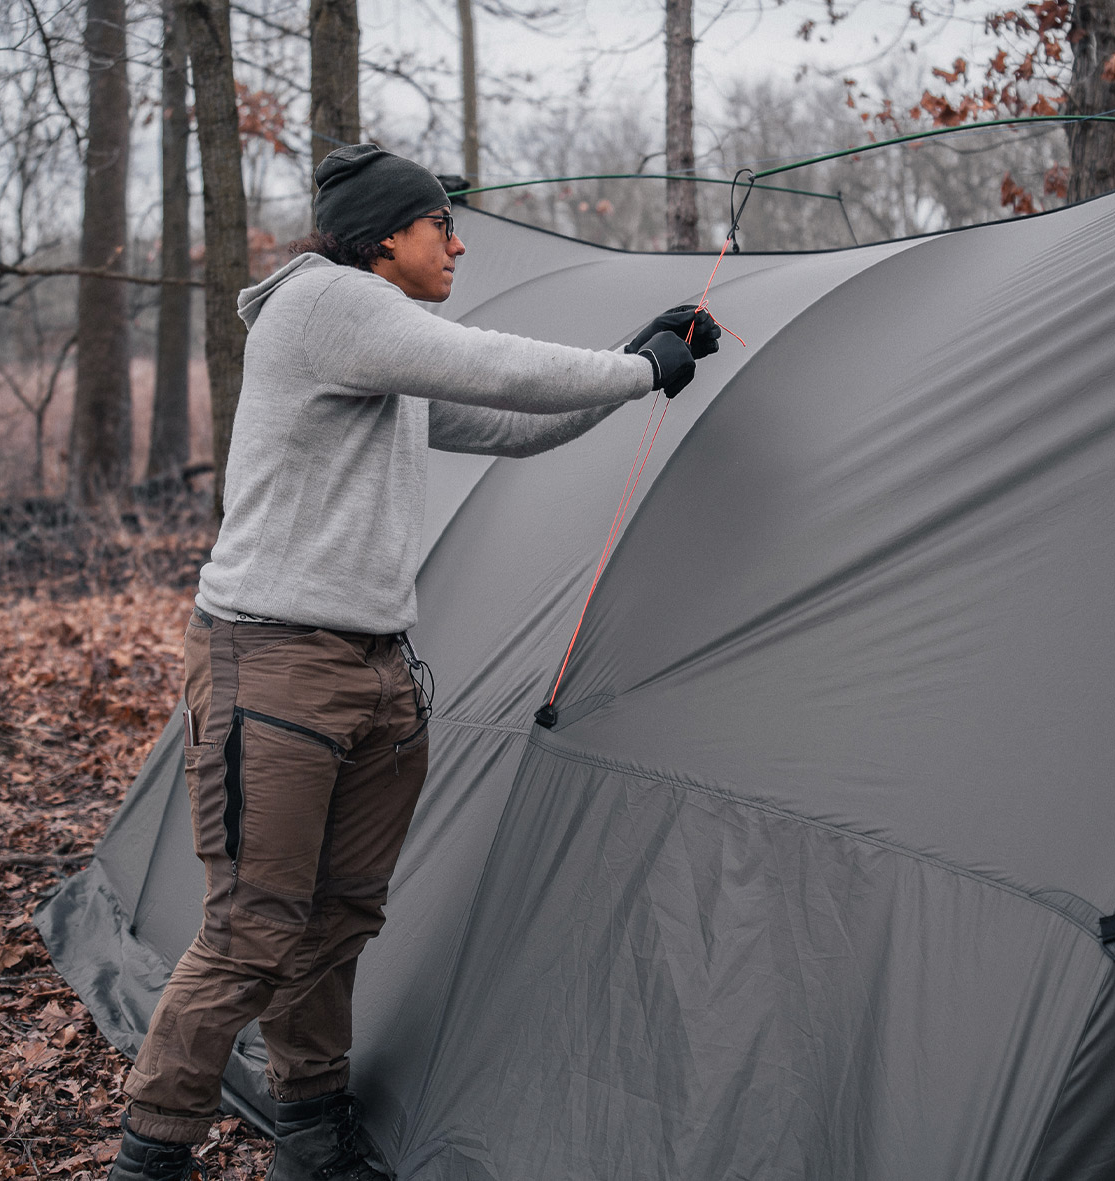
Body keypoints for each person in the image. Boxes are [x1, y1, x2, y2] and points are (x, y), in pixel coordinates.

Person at [108, 144, 718, 1181]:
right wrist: (635, 368)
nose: (459, 241)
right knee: (256, 927)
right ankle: (151, 1155)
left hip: (373, 670)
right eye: (442, 225)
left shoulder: (383, 347)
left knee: (337, 915)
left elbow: (513, 418)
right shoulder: (325, 305)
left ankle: (308, 1130)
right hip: (275, 663)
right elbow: (490, 362)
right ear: (386, 236)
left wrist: (630, 363)